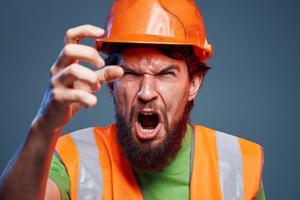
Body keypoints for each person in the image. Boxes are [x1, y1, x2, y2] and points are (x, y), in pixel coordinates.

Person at [0, 0, 265, 199]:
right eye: (130, 73)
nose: (146, 92)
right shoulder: (72, 158)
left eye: (165, 73)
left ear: (193, 84)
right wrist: (46, 124)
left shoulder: (237, 163)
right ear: (111, 83)